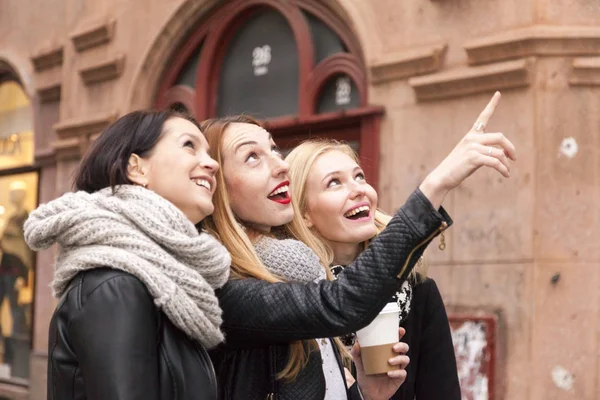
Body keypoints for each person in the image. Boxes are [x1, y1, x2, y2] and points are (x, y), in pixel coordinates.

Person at [201, 92, 514, 400]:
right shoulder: (230, 289)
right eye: (252, 156)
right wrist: (435, 186)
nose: (279, 165)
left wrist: (365, 394)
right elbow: (343, 301)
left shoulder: (309, 280)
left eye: (273, 149)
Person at [23, 110, 232, 400]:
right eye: (189, 145)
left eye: (209, 153)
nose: (212, 164)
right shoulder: (117, 284)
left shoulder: (171, 282)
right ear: (137, 169)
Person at [285, 138, 462, 399]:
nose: (359, 190)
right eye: (334, 182)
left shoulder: (418, 290)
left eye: (359, 177)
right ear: (304, 214)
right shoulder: (291, 299)